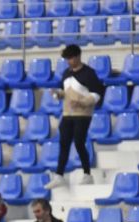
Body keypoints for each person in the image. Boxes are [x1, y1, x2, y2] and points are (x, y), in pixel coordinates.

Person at [45, 44, 105, 189]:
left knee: (79, 142)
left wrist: (83, 103)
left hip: (83, 114)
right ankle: (59, 175)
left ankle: (87, 173)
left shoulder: (89, 73)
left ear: (78, 56)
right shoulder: (66, 73)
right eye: (67, 59)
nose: (69, 61)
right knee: (64, 143)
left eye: (71, 58)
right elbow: (63, 92)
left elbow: (97, 93)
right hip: (67, 113)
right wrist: (56, 94)